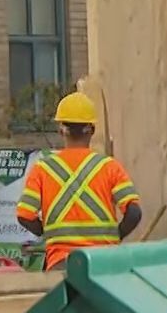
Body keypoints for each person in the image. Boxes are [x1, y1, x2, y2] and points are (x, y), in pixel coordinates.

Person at [15, 92, 142, 271]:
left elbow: (24, 215)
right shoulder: (109, 166)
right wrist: (115, 237)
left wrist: (47, 233)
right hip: (104, 263)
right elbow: (134, 213)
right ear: (92, 130)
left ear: (61, 130)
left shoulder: (43, 169)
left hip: (61, 264)